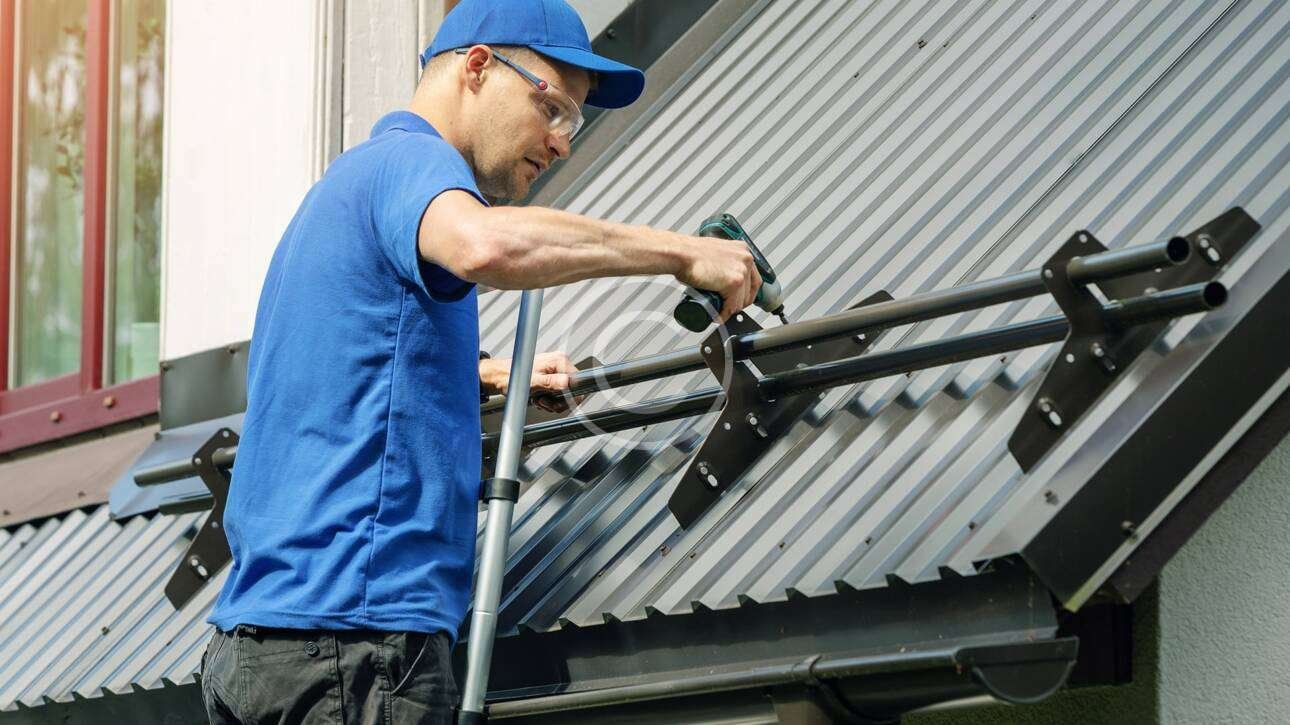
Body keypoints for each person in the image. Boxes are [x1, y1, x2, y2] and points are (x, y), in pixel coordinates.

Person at [199, 0, 761, 722]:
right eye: (552, 108)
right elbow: (484, 245)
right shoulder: (415, 160)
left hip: (259, 649)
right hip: (351, 644)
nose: (561, 144)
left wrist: (486, 376)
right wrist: (683, 252)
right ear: (476, 67)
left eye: (572, 123)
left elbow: (345, 374)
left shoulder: (341, 192)